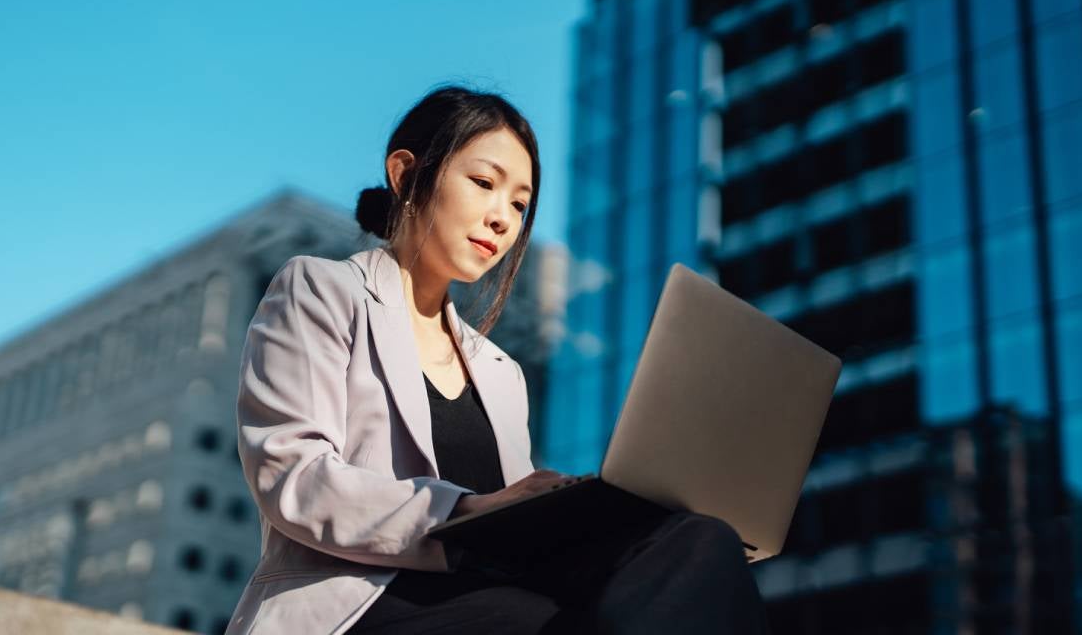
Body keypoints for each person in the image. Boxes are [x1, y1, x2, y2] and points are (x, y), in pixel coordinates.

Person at [225, 86, 770, 634]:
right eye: (484, 184)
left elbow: (519, 530)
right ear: (405, 173)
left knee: (700, 538)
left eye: (519, 204)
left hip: (489, 602)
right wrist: (467, 511)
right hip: (357, 607)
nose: (503, 219)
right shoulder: (321, 289)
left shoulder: (500, 372)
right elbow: (292, 475)